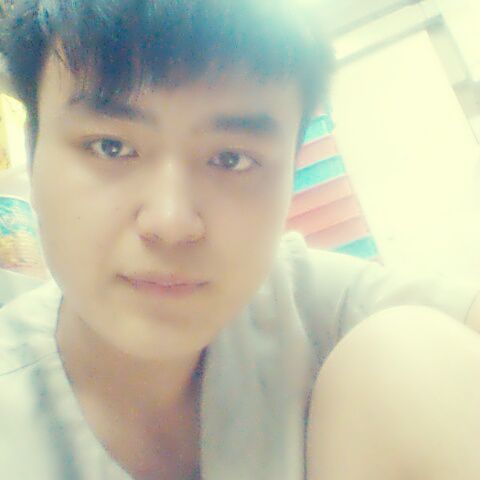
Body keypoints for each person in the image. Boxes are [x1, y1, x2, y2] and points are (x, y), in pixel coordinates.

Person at [0, 1, 479, 479]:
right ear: (33, 160)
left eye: (232, 159)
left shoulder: (301, 300)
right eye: (111, 147)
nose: (171, 222)